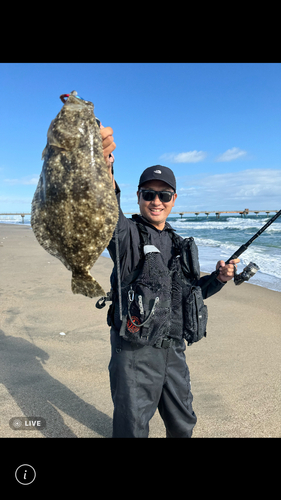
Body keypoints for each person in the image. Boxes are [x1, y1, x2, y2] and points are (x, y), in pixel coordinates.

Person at [100, 125, 240, 438]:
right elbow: (107, 212)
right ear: (138, 197)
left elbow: (190, 295)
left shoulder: (178, 244)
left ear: (174, 198)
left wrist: (218, 279)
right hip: (136, 351)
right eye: (148, 194)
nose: (156, 201)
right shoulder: (128, 236)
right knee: (132, 427)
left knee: (183, 422)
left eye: (163, 195)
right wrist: (104, 164)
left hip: (174, 350)